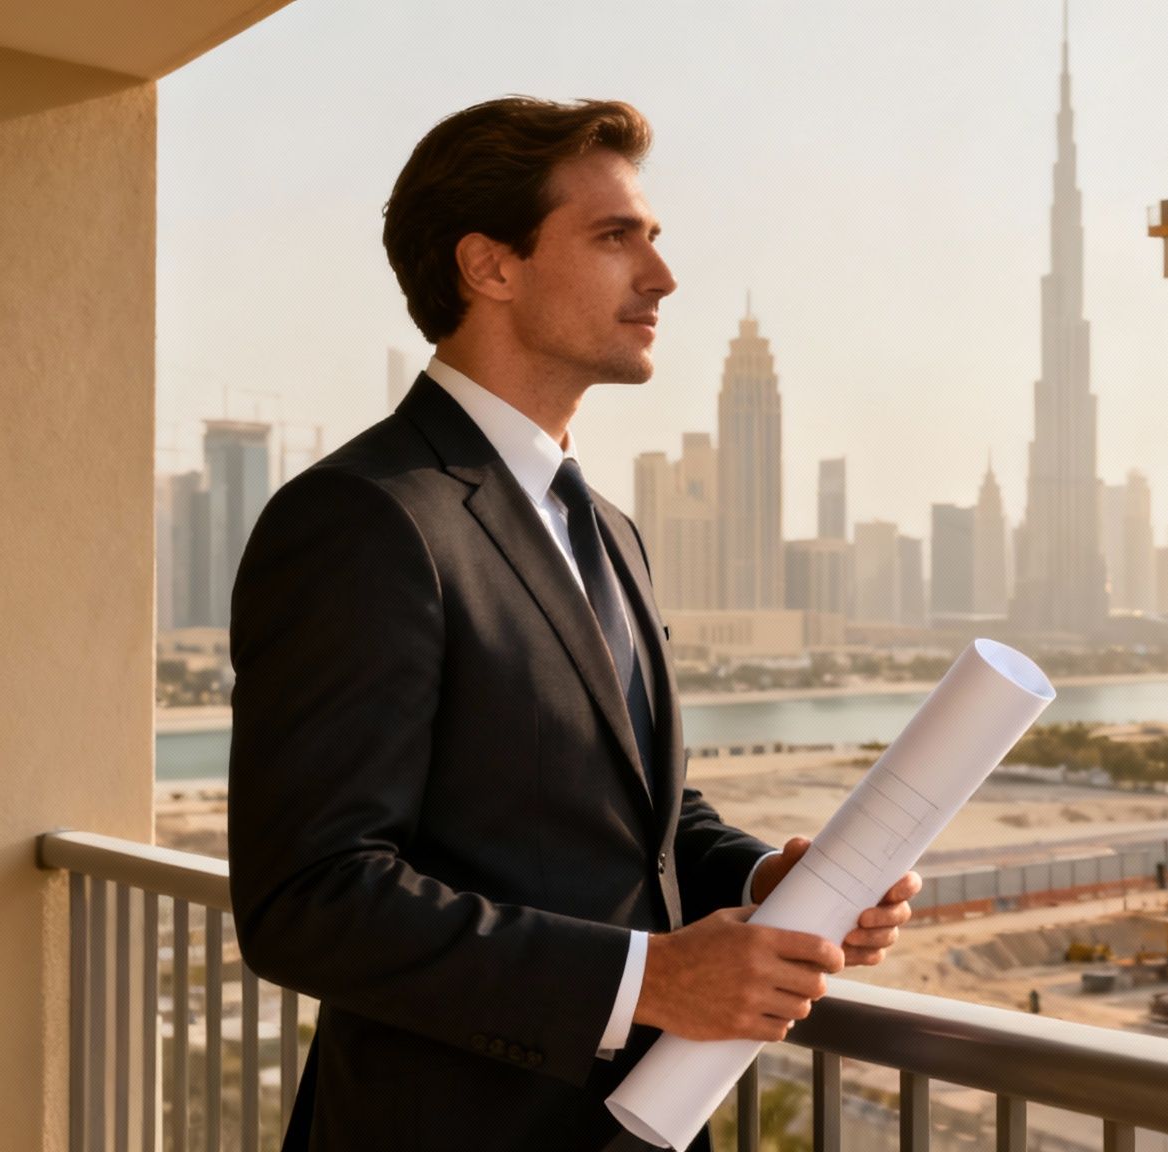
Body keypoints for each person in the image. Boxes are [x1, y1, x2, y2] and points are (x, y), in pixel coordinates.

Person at [227, 96, 919, 1152]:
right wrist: (650, 977)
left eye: (652, 238)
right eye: (613, 237)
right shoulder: (364, 516)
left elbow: (638, 822)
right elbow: (310, 897)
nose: (661, 276)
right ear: (488, 267)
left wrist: (763, 883)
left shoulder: (608, 530)